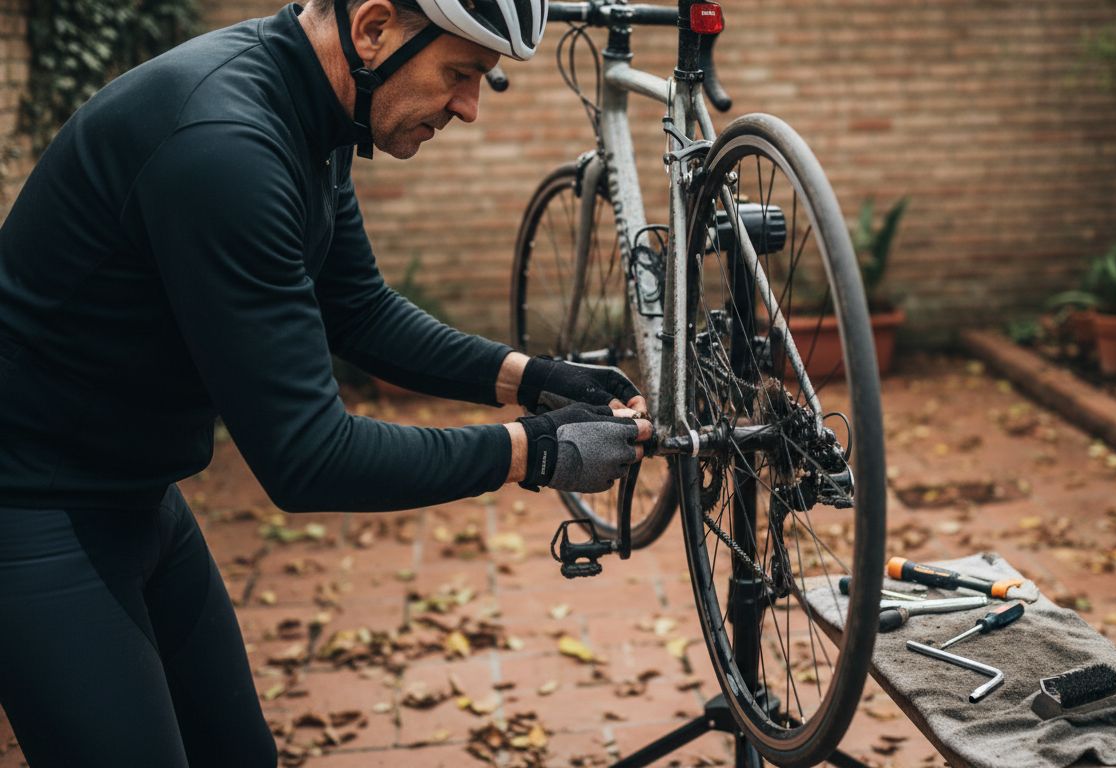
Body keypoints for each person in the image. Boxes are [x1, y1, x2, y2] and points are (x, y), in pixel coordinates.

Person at [0, 0, 652, 764]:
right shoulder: (225, 147)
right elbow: (308, 458)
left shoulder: (313, 108)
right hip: (33, 504)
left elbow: (358, 309)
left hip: (134, 493)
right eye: (461, 74)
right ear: (374, 28)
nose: (470, 109)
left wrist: (533, 379)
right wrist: (535, 452)